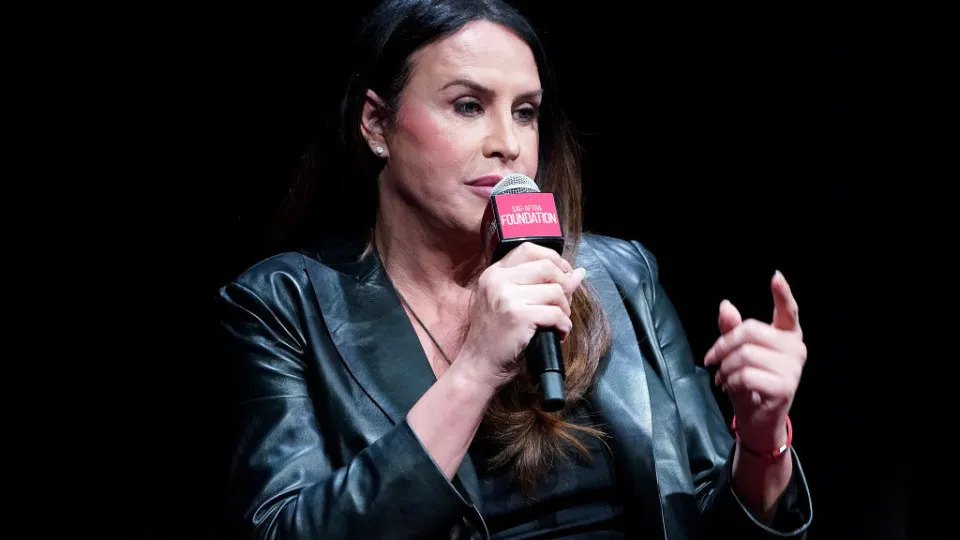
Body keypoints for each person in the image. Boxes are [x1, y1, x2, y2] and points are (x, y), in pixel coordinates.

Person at [214, 0, 813, 538]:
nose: (508, 142)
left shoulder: (622, 276)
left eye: (526, 112)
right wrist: (475, 370)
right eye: (468, 106)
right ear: (376, 124)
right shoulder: (283, 303)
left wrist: (762, 441)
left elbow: (705, 518)